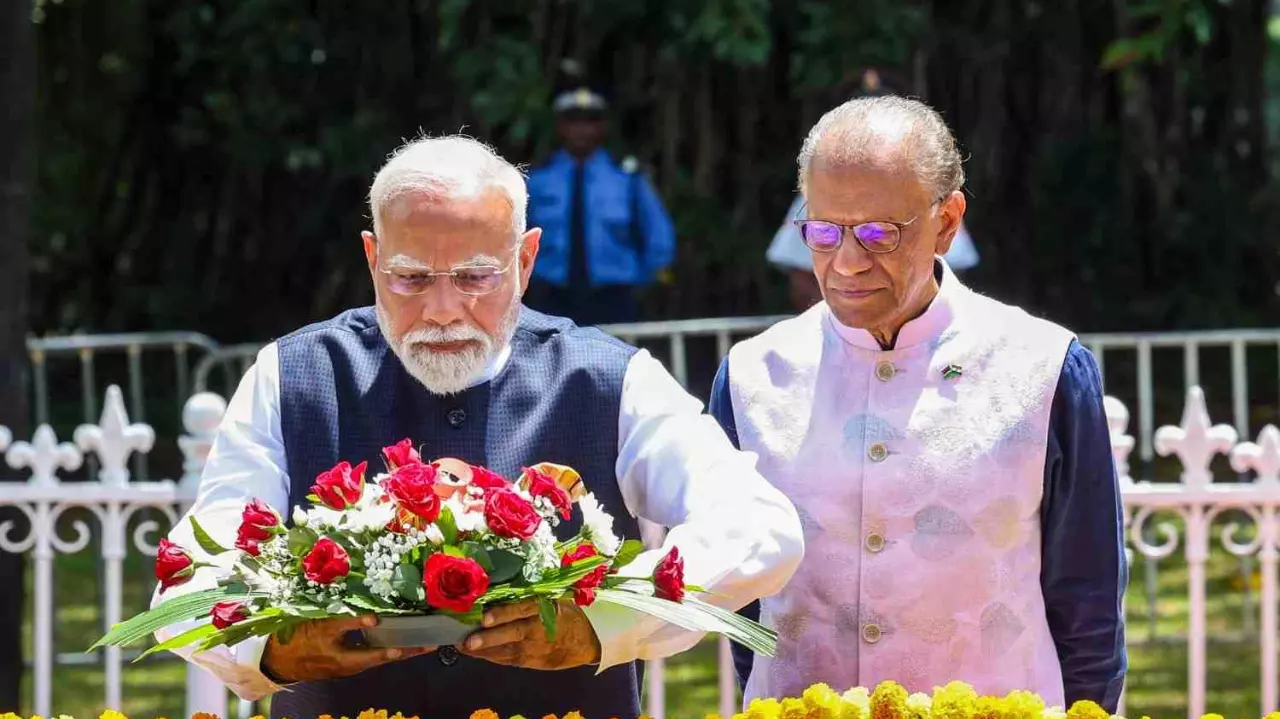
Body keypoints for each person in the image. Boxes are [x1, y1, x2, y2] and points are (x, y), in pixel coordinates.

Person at [154, 135, 804, 719]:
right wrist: (270, 646)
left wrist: (606, 620)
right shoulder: (294, 376)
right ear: (372, 257)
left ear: (526, 259)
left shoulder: (610, 378)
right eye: (410, 277)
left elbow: (759, 526)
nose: (443, 309)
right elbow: (193, 570)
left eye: (475, 277)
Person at [711, 96, 1126, 710]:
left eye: (879, 233)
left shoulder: (1043, 368)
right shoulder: (752, 377)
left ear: (947, 222)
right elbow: (744, 603)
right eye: (823, 232)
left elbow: (1087, 601)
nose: (847, 262)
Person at [523, 85, 675, 326]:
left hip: (614, 294)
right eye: (573, 122)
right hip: (550, 294)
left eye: (590, 122)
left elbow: (658, 236)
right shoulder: (538, 178)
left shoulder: (626, 177)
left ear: (602, 127)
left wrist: (642, 281)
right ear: (560, 127)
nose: (581, 130)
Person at [767, 194, 981, 312]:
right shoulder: (821, 188)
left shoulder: (922, 187)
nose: (852, 266)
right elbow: (801, 276)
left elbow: (952, 265)